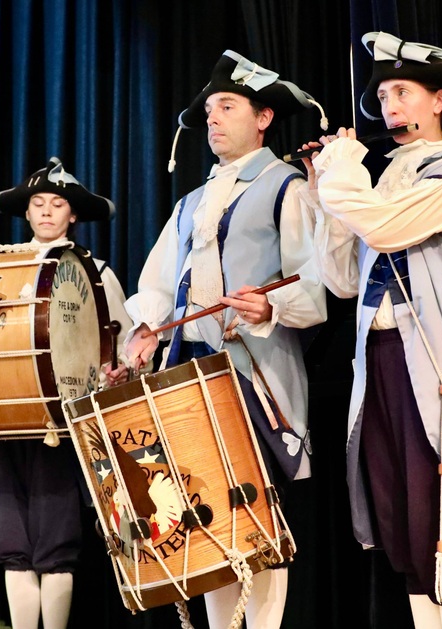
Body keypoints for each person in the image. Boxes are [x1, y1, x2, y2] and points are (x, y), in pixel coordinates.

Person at [299, 32, 442, 628]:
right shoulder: (381, 179)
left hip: (435, 367)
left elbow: (387, 230)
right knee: (399, 519)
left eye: (403, 91)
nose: (390, 105)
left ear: (438, 100)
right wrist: (323, 191)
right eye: (384, 94)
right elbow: (341, 280)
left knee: (441, 517)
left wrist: (343, 178)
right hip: (380, 358)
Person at [123, 50, 329, 629]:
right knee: (207, 515)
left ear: (262, 117)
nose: (212, 119)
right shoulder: (190, 202)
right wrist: (144, 329)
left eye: (227, 107)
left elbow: (316, 282)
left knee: (256, 514)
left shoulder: (286, 187)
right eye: (209, 110)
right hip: (189, 371)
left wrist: (271, 304)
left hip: (254, 370)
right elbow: (159, 281)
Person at [0, 157, 132, 629]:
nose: (46, 212)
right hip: (2, 421)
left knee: (56, 544)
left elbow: (119, 345)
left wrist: (115, 374)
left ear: (73, 215)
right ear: (26, 213)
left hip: (59, 425)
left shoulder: (97, 272)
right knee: (13, 545)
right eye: (38, 204)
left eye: (57, 204)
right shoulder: (0, 269)